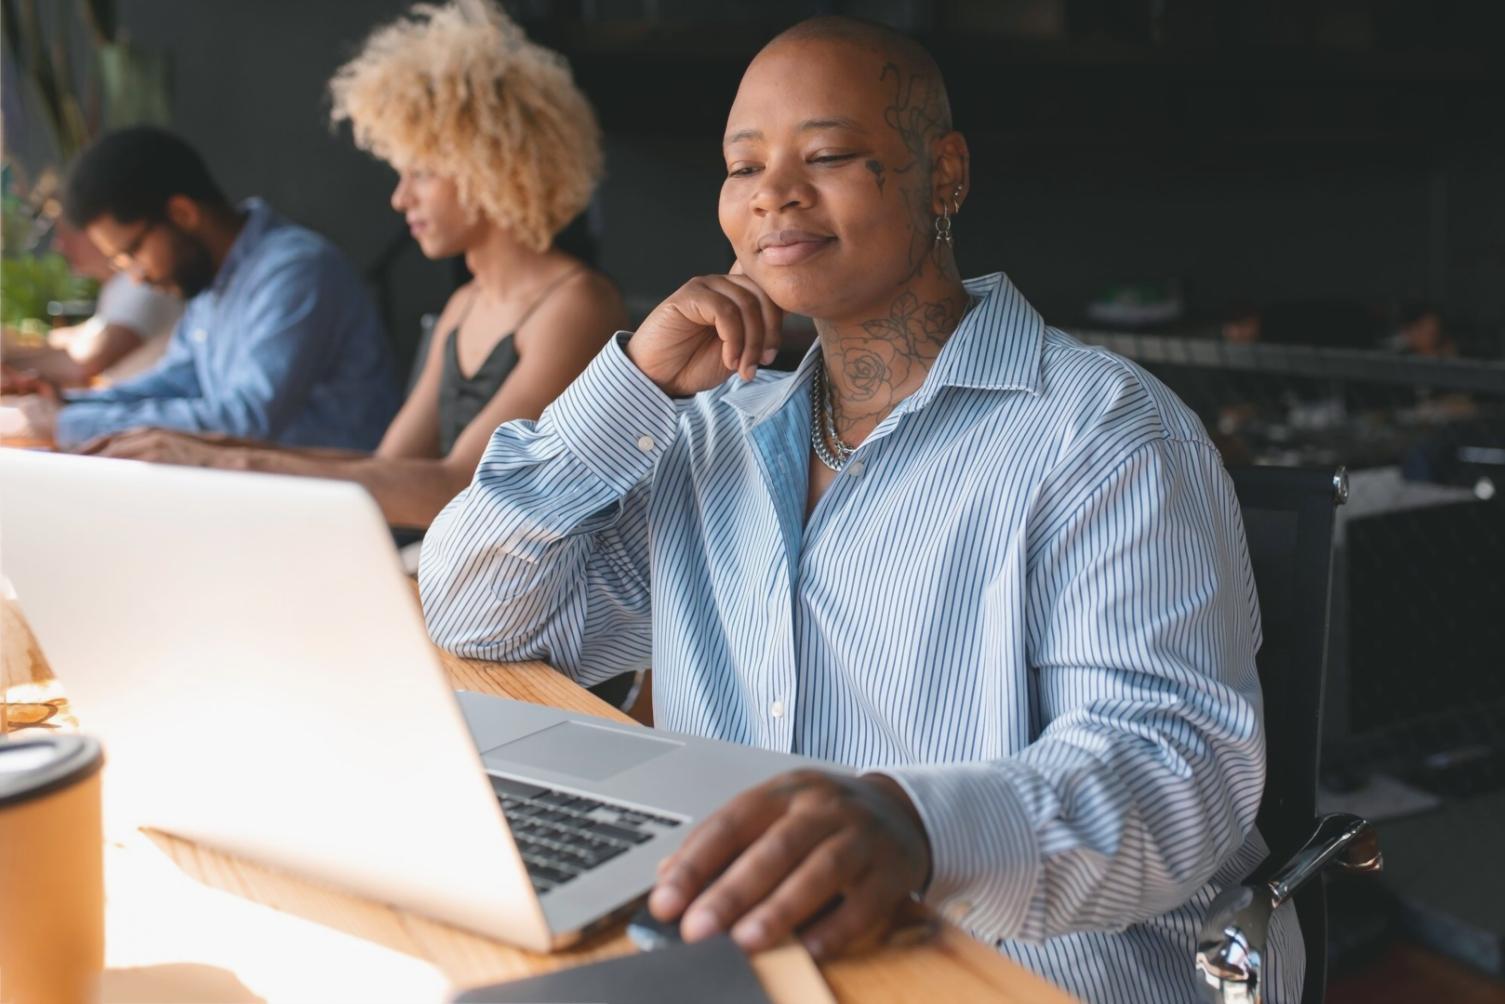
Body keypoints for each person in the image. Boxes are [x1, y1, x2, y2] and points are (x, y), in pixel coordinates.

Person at [419, 16, 1299, 1003]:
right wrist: (627, 381)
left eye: (827, 153)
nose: (772, 194)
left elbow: (1173, 775)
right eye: (740, 165)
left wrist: (918, 829)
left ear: (944, 174)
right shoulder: (712, 436)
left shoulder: (1101, 434)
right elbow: (473, 609)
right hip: (757, 957)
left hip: (1028, 976)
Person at [78, 0, 624, 530]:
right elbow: (386, 467)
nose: (400, 198)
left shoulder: (576, 304)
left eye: (422, 174)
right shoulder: (465, 305)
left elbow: (461, 489)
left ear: (493, 167)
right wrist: (198, 448)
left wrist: (227, 463)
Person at [18, 126, 400, 450]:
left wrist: (69, 425)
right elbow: (176, 383)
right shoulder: (212, 283)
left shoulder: (296, 271)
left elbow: (244, 421)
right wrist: (66, 404)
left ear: (183, 213)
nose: (134, 276)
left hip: (343, 518)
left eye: (133, 252)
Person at [2, 220, 182, 391]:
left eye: (65, 232)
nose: (59, 244)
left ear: (96, 232)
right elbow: (82, 335)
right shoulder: (119, 286)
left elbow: (86, 362)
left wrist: (9, 363)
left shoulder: (143, 284)